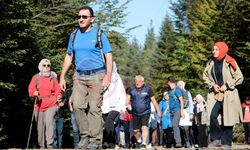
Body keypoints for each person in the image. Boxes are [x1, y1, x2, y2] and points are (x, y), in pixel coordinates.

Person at [59, 5, 113, 149]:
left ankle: (95, 141)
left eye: (84, 17)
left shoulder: (99, 34)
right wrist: (62, 76)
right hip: (79, 76)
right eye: (79, 17)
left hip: (97, 75)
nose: (81, 19)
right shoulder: (74, 35)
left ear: (91, 19)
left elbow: (109, 56)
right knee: (76, 105)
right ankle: (85, 136)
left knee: (94, 108)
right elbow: (69, 56)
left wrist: (108, 75)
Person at [203, 41, 244, 149]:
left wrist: (227, 85)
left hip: (229, 94)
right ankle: (216, 138)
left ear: (222, 50)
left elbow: (239, 77)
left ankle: (227, 143)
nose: (214, 51)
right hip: (216, 94)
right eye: (213, 49)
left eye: (216, 49)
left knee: (228, 118)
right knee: (212, 115)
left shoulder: (230, 61)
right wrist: (213, 85)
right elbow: (205, 76)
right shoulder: (210, 62)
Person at [28, 58, 62, 148]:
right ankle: (42, 146)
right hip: (39, 105)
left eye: (48, 65)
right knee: (40, 127)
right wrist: (33, 93)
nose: (46, 67)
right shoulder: (36, 77)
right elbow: (31, 89)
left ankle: (50, 145)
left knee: (49, 124)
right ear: (40, 66)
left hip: (51, 103)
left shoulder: (53, 78)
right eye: (44, 65)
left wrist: (58, 97)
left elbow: (58, 90)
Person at [126, 75, 161, 148]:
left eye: (139, 81)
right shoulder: (131, 89)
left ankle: (144, 143)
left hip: (146, 112)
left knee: (144, 127)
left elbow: (154, 101)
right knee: (135, 131)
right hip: (135, 112)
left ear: (142, 82)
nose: (137, 83)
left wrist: (158, 111)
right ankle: (139, 140)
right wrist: (125, 107)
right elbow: (127, 100)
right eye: (136, 81)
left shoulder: (148, 89)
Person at [101, 62, 126, 149]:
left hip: (115, 105)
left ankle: (106, 141)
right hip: (104, 105)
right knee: (108, 124)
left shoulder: (117, 78)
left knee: (109, 121)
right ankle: (111, 142)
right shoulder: (102, 76)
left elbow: (122, 92)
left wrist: (122, 106)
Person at [167, 76, 185, 148]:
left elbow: (182, 100)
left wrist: (181, 111)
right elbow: (170, 101)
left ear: (168, 82)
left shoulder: (177, 90)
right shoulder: (170, 91)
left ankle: (178, 143)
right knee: (174, 126)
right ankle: (176, 142)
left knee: (175, 124)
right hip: (171, 111)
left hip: (177, 110)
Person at [177, 80, 194, 148]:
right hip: (178, 112)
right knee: (181, 128)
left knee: (186, 128)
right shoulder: (176, 93)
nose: (179, 86)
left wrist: (191, 113)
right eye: (178, 85)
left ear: (183, 85)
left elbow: (190, 103)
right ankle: (184, 141)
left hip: (186, 111)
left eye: (180, 85)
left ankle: (188, 141)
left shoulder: (187, 92)